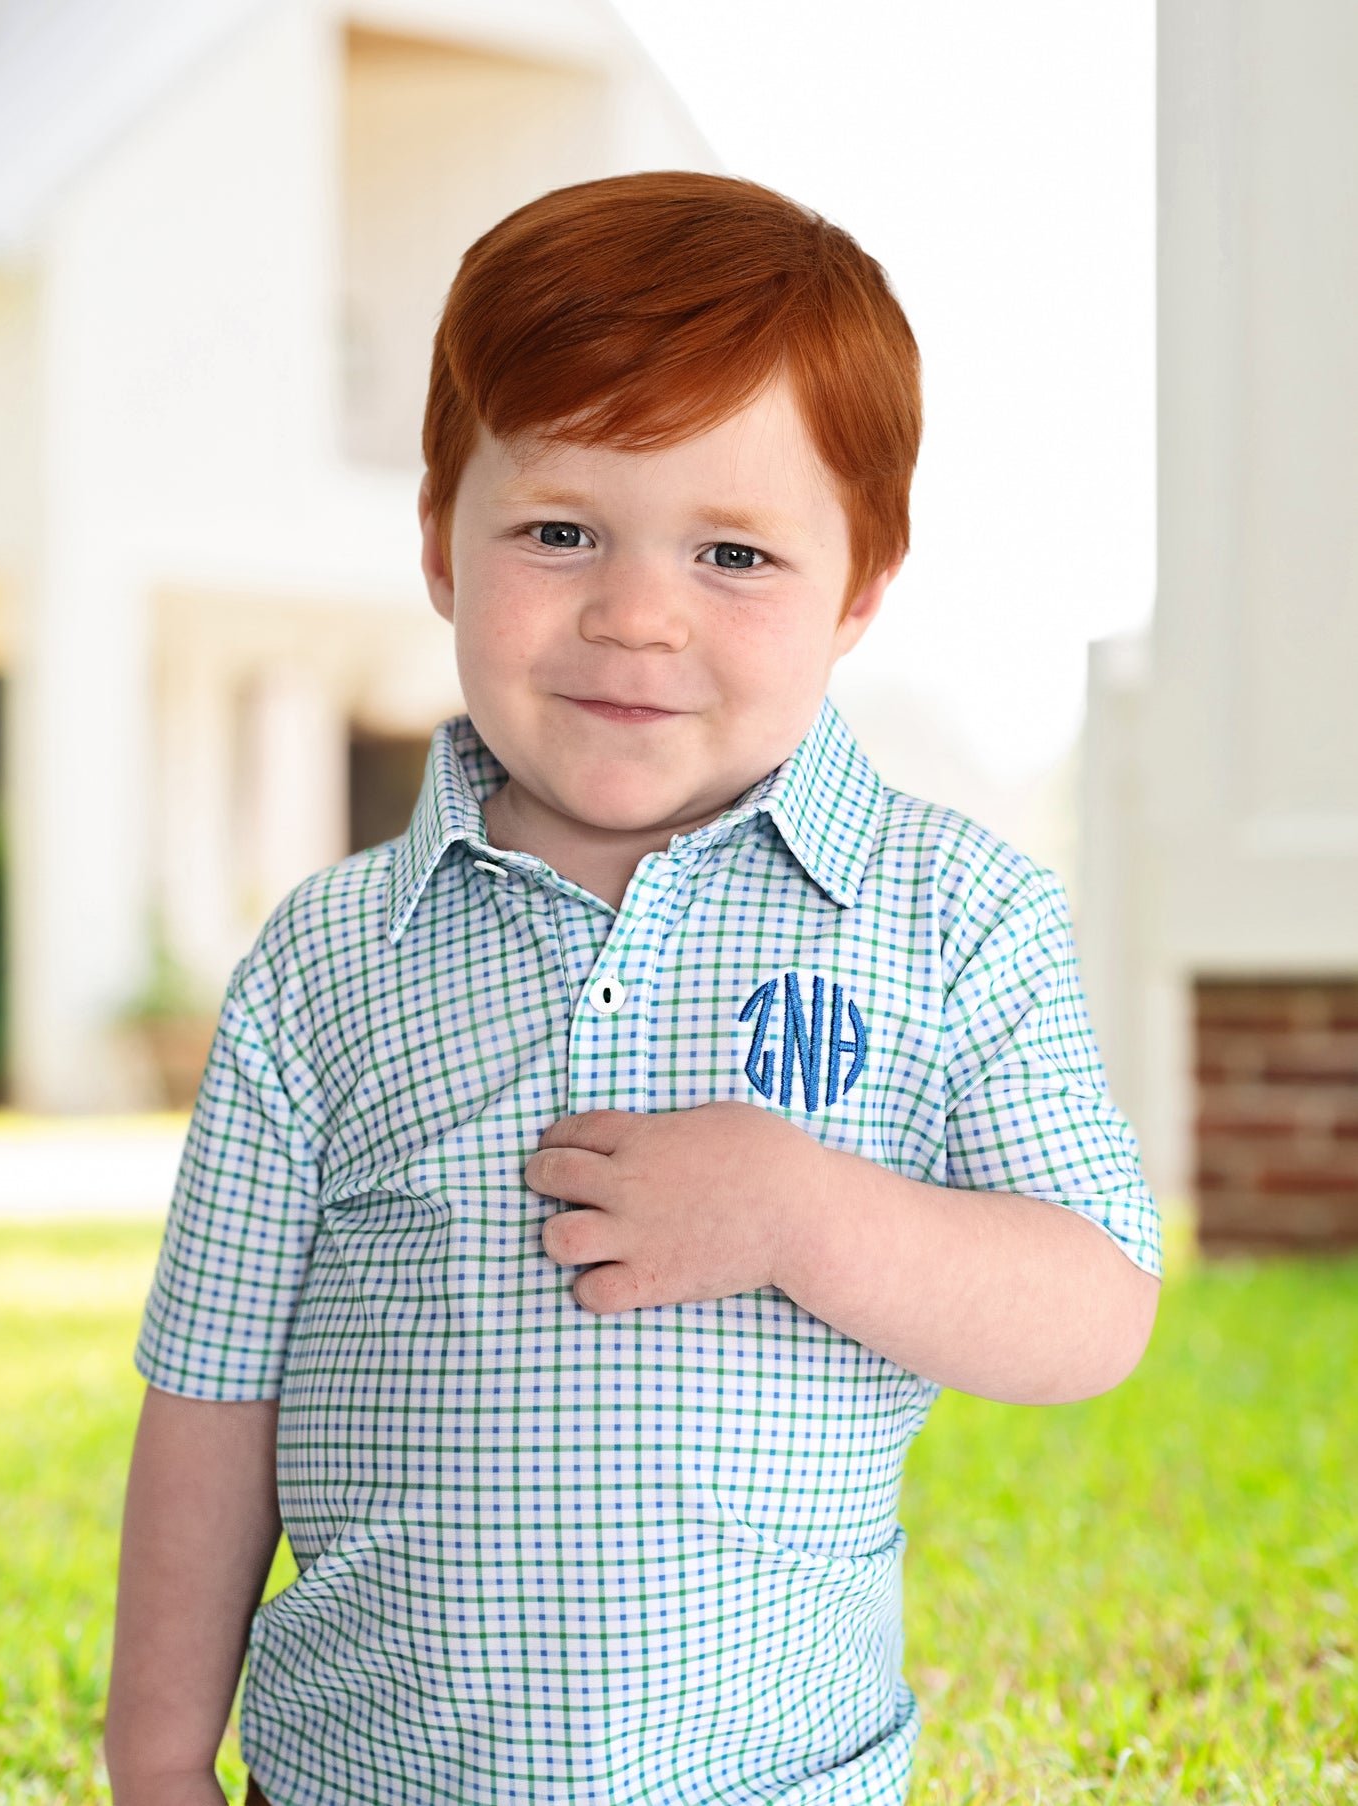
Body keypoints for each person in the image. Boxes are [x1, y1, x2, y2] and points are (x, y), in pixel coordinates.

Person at [104, 170, 1163, 1806]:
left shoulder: (955, 916)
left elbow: (1092, 1301)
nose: (635, 613)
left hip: (772, 1777)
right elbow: (211, 1395)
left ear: (859, 587)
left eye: (732, 551)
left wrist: (808, 1214)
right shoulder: (326, 963)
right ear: (440, 546)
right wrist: (159, 1755)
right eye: (558, 529)